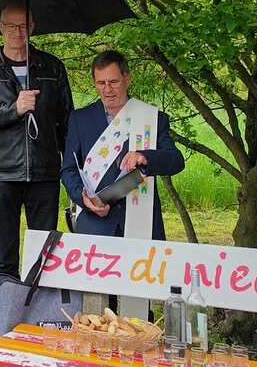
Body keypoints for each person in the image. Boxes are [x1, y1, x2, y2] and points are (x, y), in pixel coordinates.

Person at [0, 4, 74, 281]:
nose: (18, 32)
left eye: (24, 25)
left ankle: (38, 305)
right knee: (5, 256)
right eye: (11, 26)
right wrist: (14, 109)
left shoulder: (52, 67)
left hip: (45, 172)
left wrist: (72, 170)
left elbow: (67, 121)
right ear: (0, 27)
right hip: (2, 172)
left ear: (33, 27)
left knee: (44, 255)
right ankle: (8, 305)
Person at [61, 49, 184, 240]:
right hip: (95, 223)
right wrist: (83, 198)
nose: (107, 90)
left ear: (127, 79)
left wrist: (146, 156)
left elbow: (176, 161)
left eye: (113, 82)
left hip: (142, 222)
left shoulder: (151, 118)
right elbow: (68, 170)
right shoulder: (80, 119)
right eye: (101, 83)